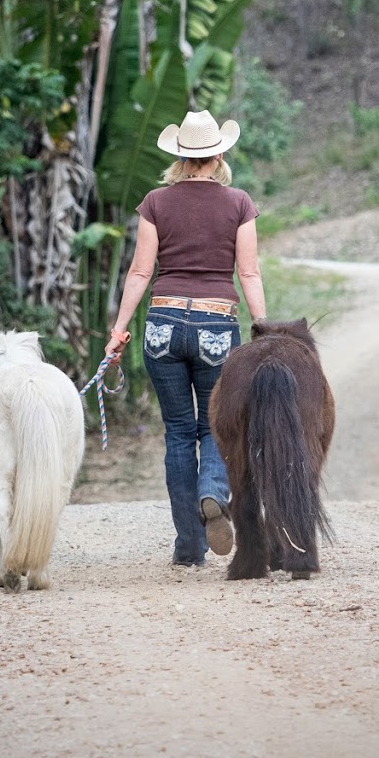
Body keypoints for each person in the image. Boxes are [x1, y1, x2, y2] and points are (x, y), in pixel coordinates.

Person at [105, 109, 267, 567]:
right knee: (215, 427)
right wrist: (262, 328)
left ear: (180, 156)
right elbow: (249, 271)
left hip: (162, 326)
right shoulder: (239, 203)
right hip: (217, 324)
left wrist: (119, 331)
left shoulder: (156, 202)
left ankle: (189, 548)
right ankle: (213, 492)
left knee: (178, 433)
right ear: (218, 154)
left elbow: (140, 271)